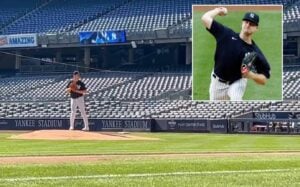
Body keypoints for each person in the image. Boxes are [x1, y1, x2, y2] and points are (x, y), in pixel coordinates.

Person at [201, 7, 271, 101]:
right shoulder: (226, 35)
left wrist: (251, 75)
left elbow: (264, 79)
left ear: (256, 29)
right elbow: (205, 18)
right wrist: (218, 11)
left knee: (236, 100)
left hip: (238, 81)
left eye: (252, 24)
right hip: (217, 83)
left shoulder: (254, 52)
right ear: (242, 23)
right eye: (246, 22)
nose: (248, 25)